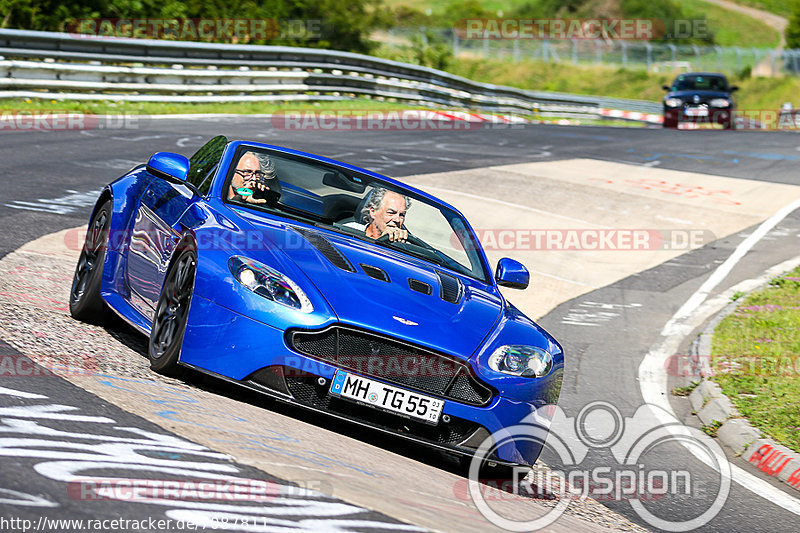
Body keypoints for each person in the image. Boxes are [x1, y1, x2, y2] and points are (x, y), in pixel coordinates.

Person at [346, 187, 410, 242]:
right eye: (391, 212)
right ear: (373, 212)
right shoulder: (350, 230)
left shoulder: (404, 246)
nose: (397, 220)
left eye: (402, 215)